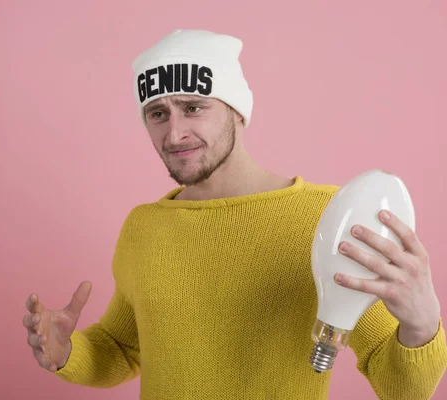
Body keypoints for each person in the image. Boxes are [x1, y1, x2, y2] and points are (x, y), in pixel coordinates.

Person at [22, 29, 447, 399]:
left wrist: (422, 324)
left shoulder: (323, 218)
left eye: (193, 107)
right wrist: (68, 353)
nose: (175, 133)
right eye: (158, 113)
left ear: (237, 111)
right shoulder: (143, 227)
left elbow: (401, 390)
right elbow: (123, 348)